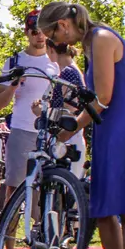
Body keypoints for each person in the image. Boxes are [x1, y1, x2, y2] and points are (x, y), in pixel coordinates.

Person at [39, 2, 125, 249]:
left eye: (52, 36)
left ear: (63, 25)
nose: (53, 44)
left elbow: (103, 97)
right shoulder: (90, 45)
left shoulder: (102, 39)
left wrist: (72, 128)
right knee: (103, 209)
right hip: (107, 126)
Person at [0, 8, 58, 249]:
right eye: (34, 31)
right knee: (13, 194)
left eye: (43, 31)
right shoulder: (14, 61)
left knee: (46, 196)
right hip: (20, 131)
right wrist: (13, 85)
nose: (39, 36)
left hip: (48, 134)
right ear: (26, 32)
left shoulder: (55, 61)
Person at [49, 42, 88, 179]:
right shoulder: (73, 70)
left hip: (68, 138)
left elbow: (70, 110)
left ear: (51, 49)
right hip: (73, 136)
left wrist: (44, 113)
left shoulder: (67, 73)